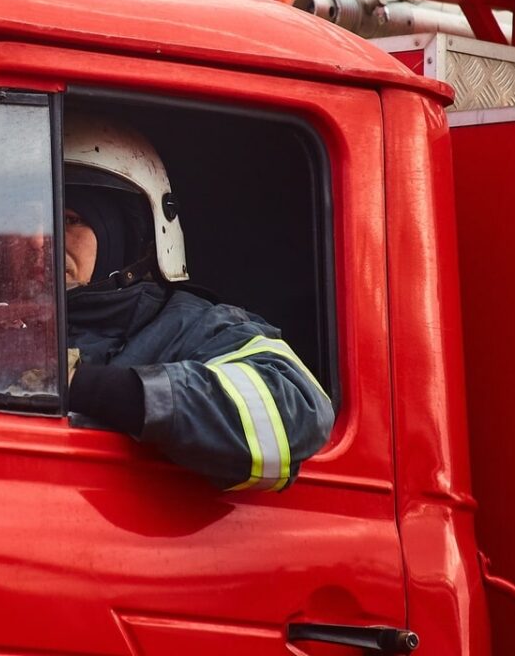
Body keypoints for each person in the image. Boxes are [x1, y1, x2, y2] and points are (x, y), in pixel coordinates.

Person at [62, 117, 334, 491]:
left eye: (72, 219)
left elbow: (294, 414)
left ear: (125, 234)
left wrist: (88, 387)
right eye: (33, 218)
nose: (44, 237)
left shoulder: (191, 327)